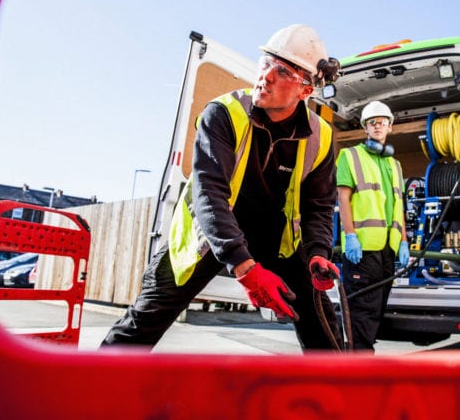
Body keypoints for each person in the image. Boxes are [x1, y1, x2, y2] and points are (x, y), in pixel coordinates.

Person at [101, 24, 343, 351]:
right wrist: (244, 267)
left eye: (282, 70)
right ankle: (92, 387)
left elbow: (318, 207)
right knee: (147, 316)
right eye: (265, 63)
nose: (266, 76)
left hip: (276, 239)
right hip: (211, 229)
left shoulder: (321, 136)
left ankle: (338, 398)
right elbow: (209, 194)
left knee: (323, 330)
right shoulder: (224, 113)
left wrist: (317, 253)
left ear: (305, 90)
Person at [336, 100, 410, 352]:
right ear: (365, 128)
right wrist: (350, 236)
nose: (378, 126)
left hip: (387, 250)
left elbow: (399, 204)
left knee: (377, 308)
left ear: (390, 127)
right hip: (362, 250)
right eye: (373, 123)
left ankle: (362, 361)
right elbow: (343, 198)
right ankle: (359, 365)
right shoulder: (350, 156)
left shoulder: (394, 164)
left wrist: (403, 241)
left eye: (383, 122)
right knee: (362, 311)